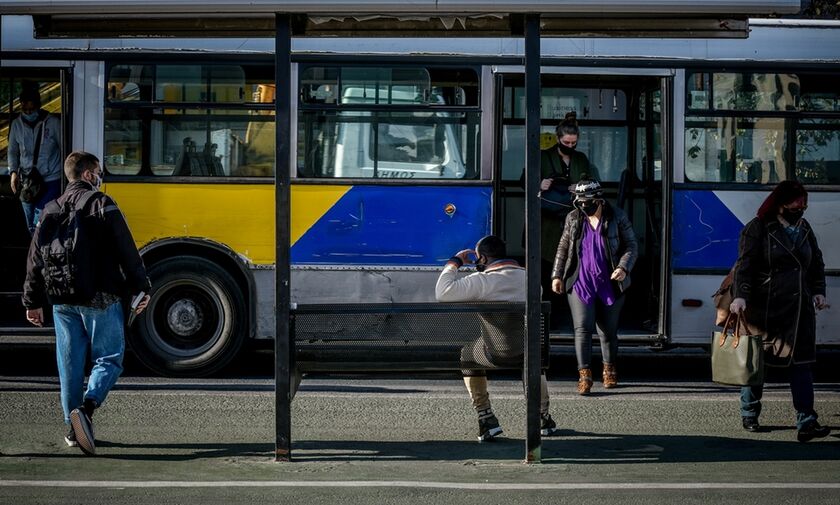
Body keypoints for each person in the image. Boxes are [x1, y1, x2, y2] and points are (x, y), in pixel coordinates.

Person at [22, 151, 152, 456]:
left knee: (69, 367)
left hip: (61, 299)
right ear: (88, 175)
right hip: (100, 295)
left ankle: (72, 429)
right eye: (99, 172)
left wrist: (32, 300)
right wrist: (141, 288)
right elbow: (126, 249)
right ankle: (88, 410)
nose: (100, 177)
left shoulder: (49, 208)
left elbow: (34, 258)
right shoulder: (102, 203)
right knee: (109, 359)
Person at [729, 180, 831, 442]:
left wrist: (819, 291)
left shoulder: (804, 228)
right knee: (757, 364)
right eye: (798, 203)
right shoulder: (758, 228)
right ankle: (749, 413)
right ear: (782, 203)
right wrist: (740, 296)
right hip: (765, 308)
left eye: (804, 203)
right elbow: (745, 266)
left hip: (799, 310)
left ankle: (807, 421)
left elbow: (815, 263)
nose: (802, 208)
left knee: (802, 365)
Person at [435, 235, 560, 442]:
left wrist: (455, 262)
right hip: (527, 351)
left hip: (495, 353)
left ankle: (486, 417)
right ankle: (542, 417)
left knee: (467, 353)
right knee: (533, 358)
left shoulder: (482, 282)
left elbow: (442, 292)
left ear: (483, 259)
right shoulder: (530, 280)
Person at [551, 180, 637, 395]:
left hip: (610, 282)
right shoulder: (573, 217)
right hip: (581, 281)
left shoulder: (617, 216)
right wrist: (557, 275)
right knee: (582, 329)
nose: (583, 206)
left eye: (587, 202)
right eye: (579, 202)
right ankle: (585, 374)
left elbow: (631, 246)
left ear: (599, 200)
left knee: (608, 332)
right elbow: (563, 246)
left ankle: (609, 370)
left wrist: (623, 268)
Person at [522, 112, 599, 329]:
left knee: (571, 265)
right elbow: (524, 182)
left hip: (574, 222)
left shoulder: (581, 159)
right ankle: (545, 318)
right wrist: (540, 183)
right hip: (545, 224)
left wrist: (580, 188)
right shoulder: (542, 156)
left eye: (574, 143)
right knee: (545, 269)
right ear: (558, 139)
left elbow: (595, 185)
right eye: (566, 142)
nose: (570, 146)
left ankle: (570, 315)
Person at [8, 85, 63, 235]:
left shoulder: (53, 123)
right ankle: (37, 250)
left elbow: (64, 148)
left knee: (40, 219)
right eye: (24, 110)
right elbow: (12, 151)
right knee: (30, 224)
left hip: (51, 178)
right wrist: (13, 173)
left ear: (38, 107)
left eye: (31, 110)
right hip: (27, 180)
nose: (28, 113)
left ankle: (41, 252)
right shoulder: (16, 125)